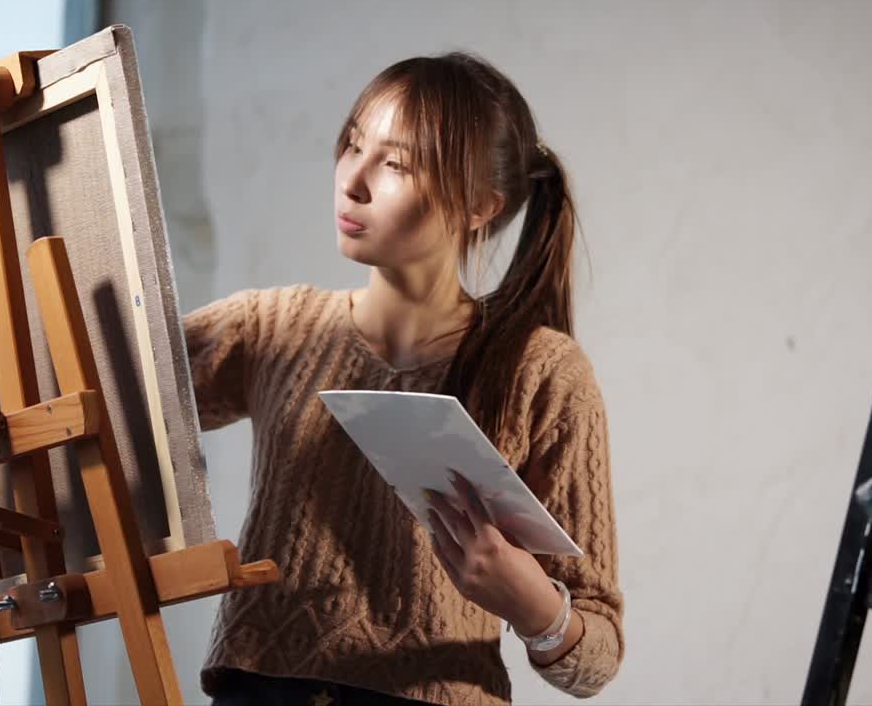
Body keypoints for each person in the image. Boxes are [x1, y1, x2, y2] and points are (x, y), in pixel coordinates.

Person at [186, 51, 623, 706]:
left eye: (395, 164)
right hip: (260, 692)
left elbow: (598, 655)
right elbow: (89, 387)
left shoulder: (542, 371)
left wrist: (534, 605)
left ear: (479, 205)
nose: (352, 180)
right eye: (353, 145)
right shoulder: (273, 327)